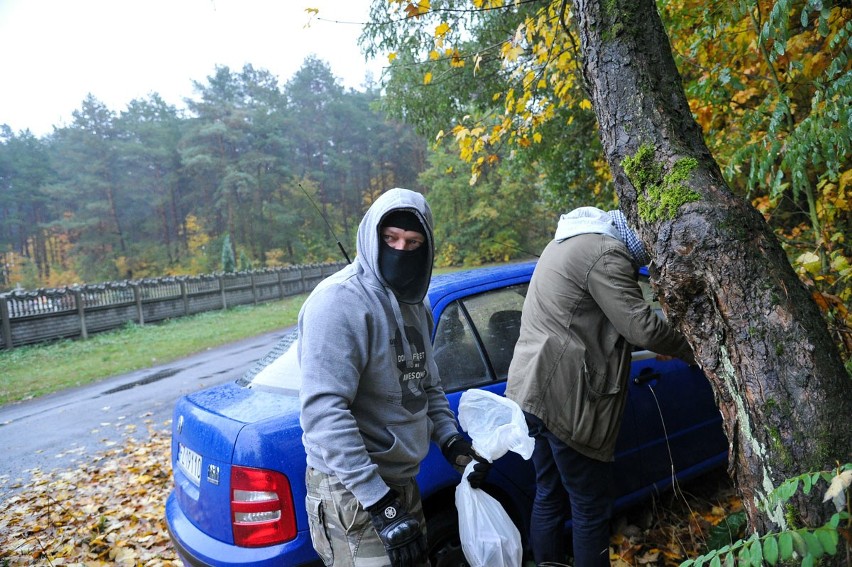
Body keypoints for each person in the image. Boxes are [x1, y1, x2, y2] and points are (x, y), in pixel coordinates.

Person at [298, 187, 489, 567]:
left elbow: (425, 384)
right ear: (373, 236)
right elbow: (323, 413)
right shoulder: (338, 303)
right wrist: (380, 504)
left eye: (413, 241)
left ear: (427, 246)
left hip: (403, 482)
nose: (401, 249)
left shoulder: (417, 304)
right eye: (391, 239)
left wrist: (451, 441)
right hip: (352, 489)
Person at [505, 206, 695, 566]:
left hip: (529, 391)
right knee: (589, 506)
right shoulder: (606, 252)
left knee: (548, 493)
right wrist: (692, 350)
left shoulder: (563, 243)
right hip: (565, 397)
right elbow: (640, 326)